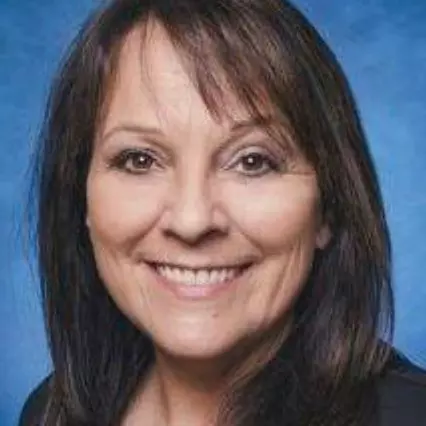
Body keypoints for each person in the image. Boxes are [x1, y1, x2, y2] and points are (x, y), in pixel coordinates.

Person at [20, 0, 426, 425]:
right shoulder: (50, 412)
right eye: (139, 160)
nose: (192, 220)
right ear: (81, 195)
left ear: (328, 206)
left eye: (252, 161)